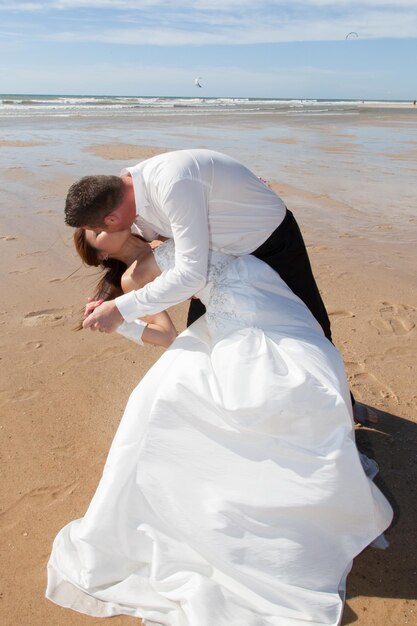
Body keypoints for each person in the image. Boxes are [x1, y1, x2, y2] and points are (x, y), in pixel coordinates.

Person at [46, 229, 392, 626]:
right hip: (223, 330)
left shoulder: (168, 234)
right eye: (97, 229)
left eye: (105, 218)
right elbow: (165, 334)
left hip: (263, 309)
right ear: (97, 249)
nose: (108, 223)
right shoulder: (130, 278)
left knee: (296, 390)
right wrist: (121, 324)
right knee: (185, 401)